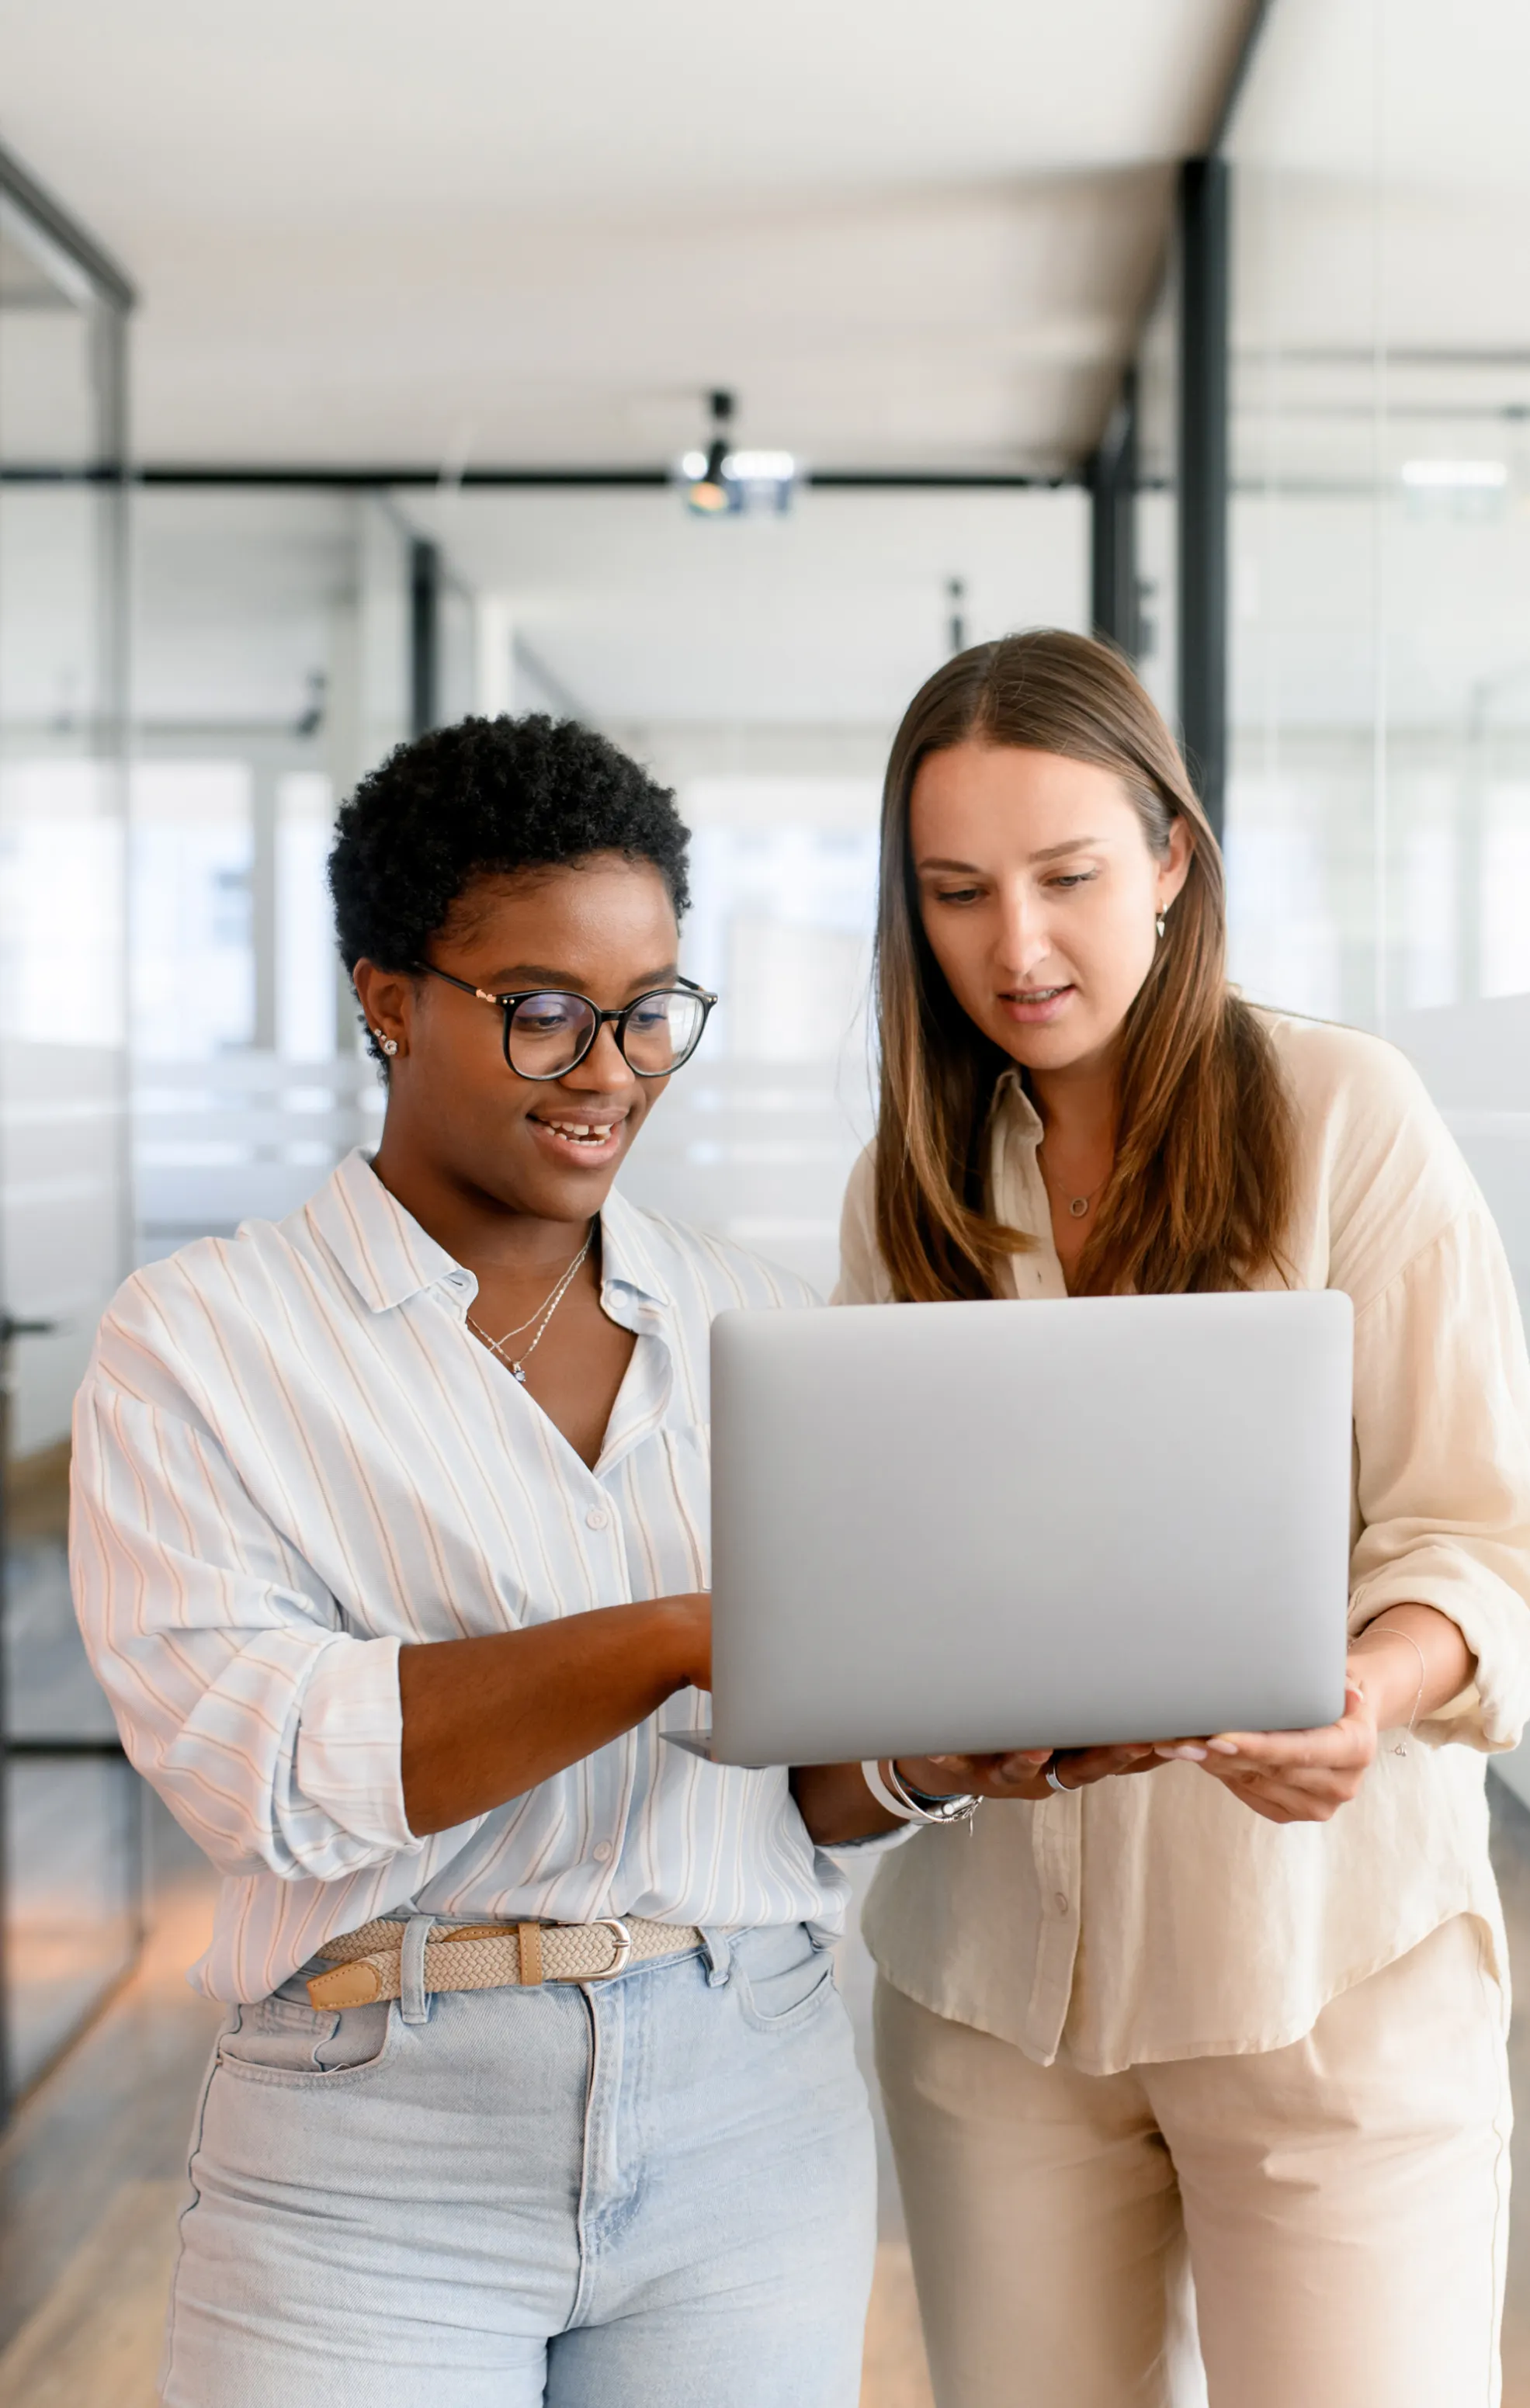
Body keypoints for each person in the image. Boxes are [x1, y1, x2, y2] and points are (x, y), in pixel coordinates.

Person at [69, 714, 879, 2408]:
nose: (609, 1071)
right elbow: (269, 1772)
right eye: (542, 1014)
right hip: (372, 2146)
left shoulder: (765, 1329)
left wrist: (931, 1752)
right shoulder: (202, 1346)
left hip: (752, 2102)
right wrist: (669, 1636)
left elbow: (809, 1787)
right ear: (386, 1000)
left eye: (650, 1012)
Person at [815, 630, 1530, 2407]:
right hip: (994, 1999)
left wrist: (1361, 1696)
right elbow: (882, 1571)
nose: (1017, 947)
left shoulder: (1341, 1115)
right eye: (958, 893)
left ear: (1170, 861)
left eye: (1064, 877)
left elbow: (1479, 1531)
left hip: (1325, 1978)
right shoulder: (909, 1182)